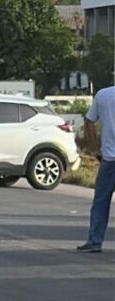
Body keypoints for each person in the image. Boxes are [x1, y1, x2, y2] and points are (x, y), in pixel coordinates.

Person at [78, 86, 115, 253]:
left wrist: (94, 149)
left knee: (101, 202)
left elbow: (89, 121)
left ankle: (95, 240)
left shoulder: (103, 95)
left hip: (109, 159)